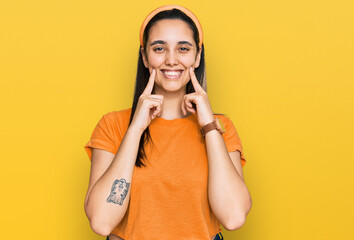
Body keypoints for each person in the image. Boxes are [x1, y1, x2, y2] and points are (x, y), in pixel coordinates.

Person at [83, 5, 252, 240]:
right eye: (159, 48)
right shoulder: (113, 125)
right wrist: (136, 129)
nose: (171, 60)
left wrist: (208, 126)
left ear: (197, 56)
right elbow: (102, 222)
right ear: (144, 56)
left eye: (183, 48)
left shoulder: (220, 127)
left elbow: (233, 217)